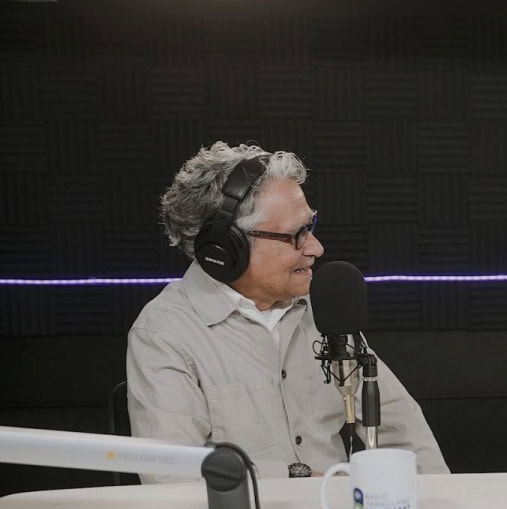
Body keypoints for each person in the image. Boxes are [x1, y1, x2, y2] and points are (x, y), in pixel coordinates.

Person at [127, 142, 449, 482]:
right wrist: (309, 481)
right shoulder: (164, 334)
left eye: (310, 227)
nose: (316, 248)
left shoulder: (323, 309)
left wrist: (439, 499)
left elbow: (400, 428)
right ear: (225, 246)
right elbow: (172, 477)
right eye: (296, 234)